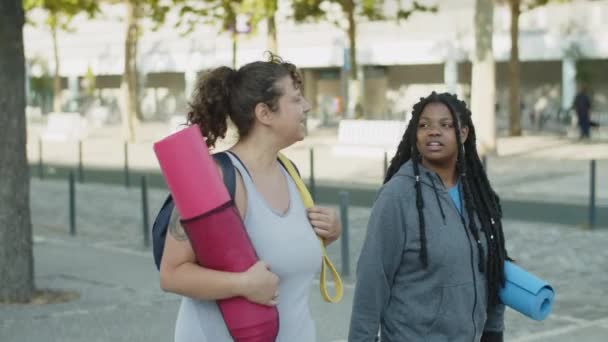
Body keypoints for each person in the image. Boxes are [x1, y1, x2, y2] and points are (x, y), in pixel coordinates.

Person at [160, 54, 342, 342]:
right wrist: (242, 284)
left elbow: (283, 251)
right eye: (295, 99)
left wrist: (323, 235)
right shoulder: (217, 178)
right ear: (264, 113)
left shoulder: (289, 172)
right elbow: (172, 273)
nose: (306, 106)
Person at [349, 92, 508, 342]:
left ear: (463, 134)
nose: (433, 131)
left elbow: (493, 268)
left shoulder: (479, 196)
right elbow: (372, 280)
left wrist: (493, 331)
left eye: (445, 125)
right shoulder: (397, 196)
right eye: (424, 125)